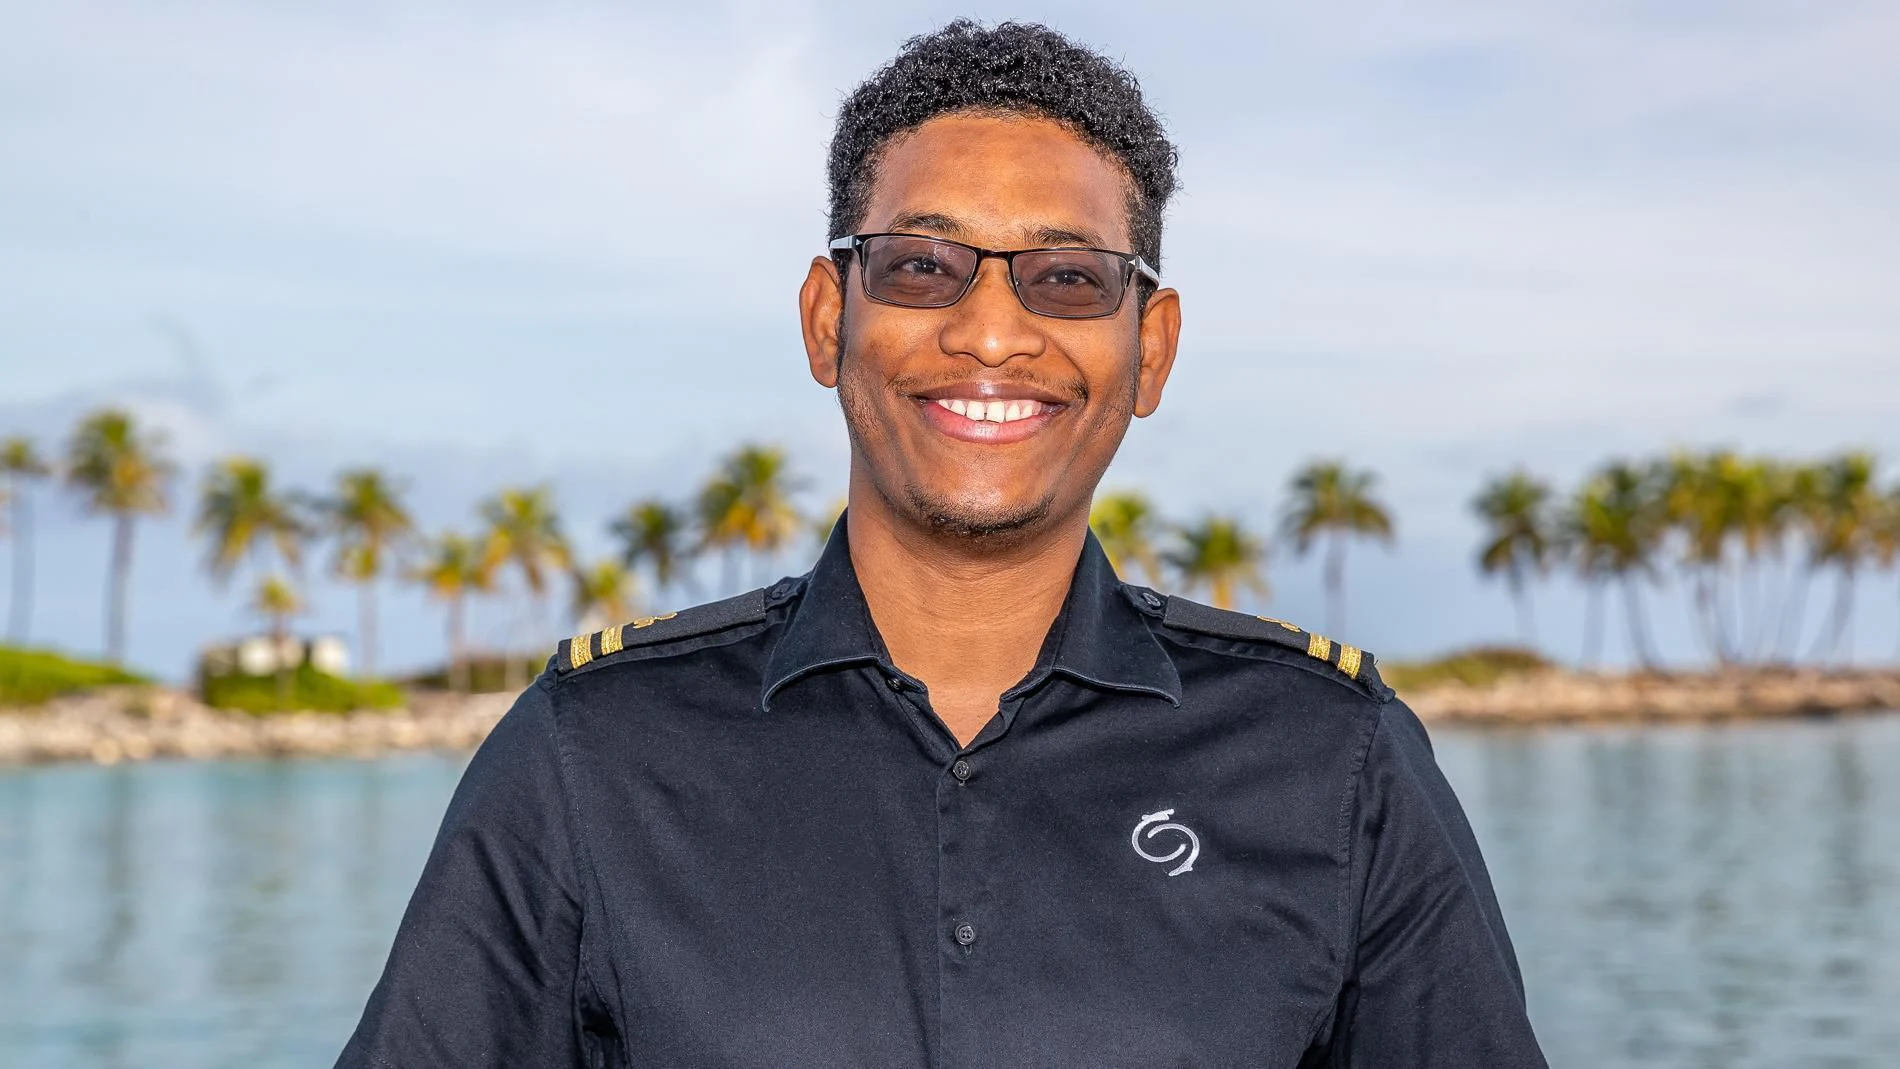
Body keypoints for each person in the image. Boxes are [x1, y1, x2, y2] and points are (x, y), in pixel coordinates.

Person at [338, 19, 1547, 1068]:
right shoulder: (592, 754)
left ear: (1152, 347)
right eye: (922, 266)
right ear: (829, 319)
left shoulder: (1334, 764)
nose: (988, 333)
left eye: (1067, 279)